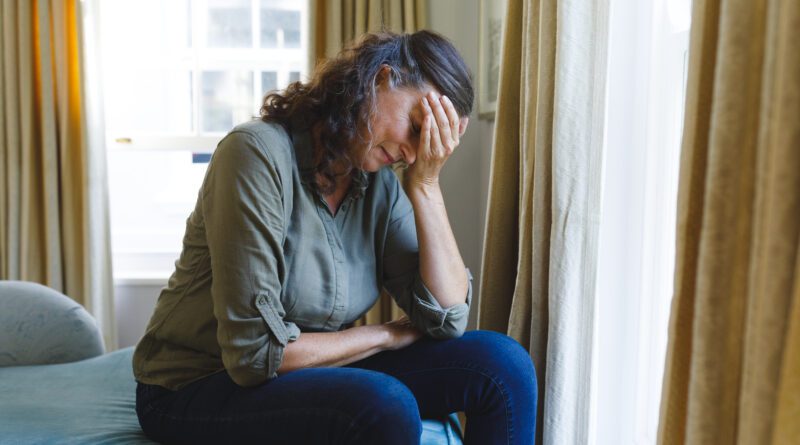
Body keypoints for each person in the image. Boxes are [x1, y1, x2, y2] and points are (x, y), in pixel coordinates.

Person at [133, 30, 537, 444]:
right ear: (380, 80)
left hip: (310, 369)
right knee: (385, 403)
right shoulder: (255, 155)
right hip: (198, 385)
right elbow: (254, 356)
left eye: (429, 142)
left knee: (503, 366)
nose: (413, 154)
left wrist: (427, 186)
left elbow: (446, 319)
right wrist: (385, 334)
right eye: (415, 127)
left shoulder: (376, 183)